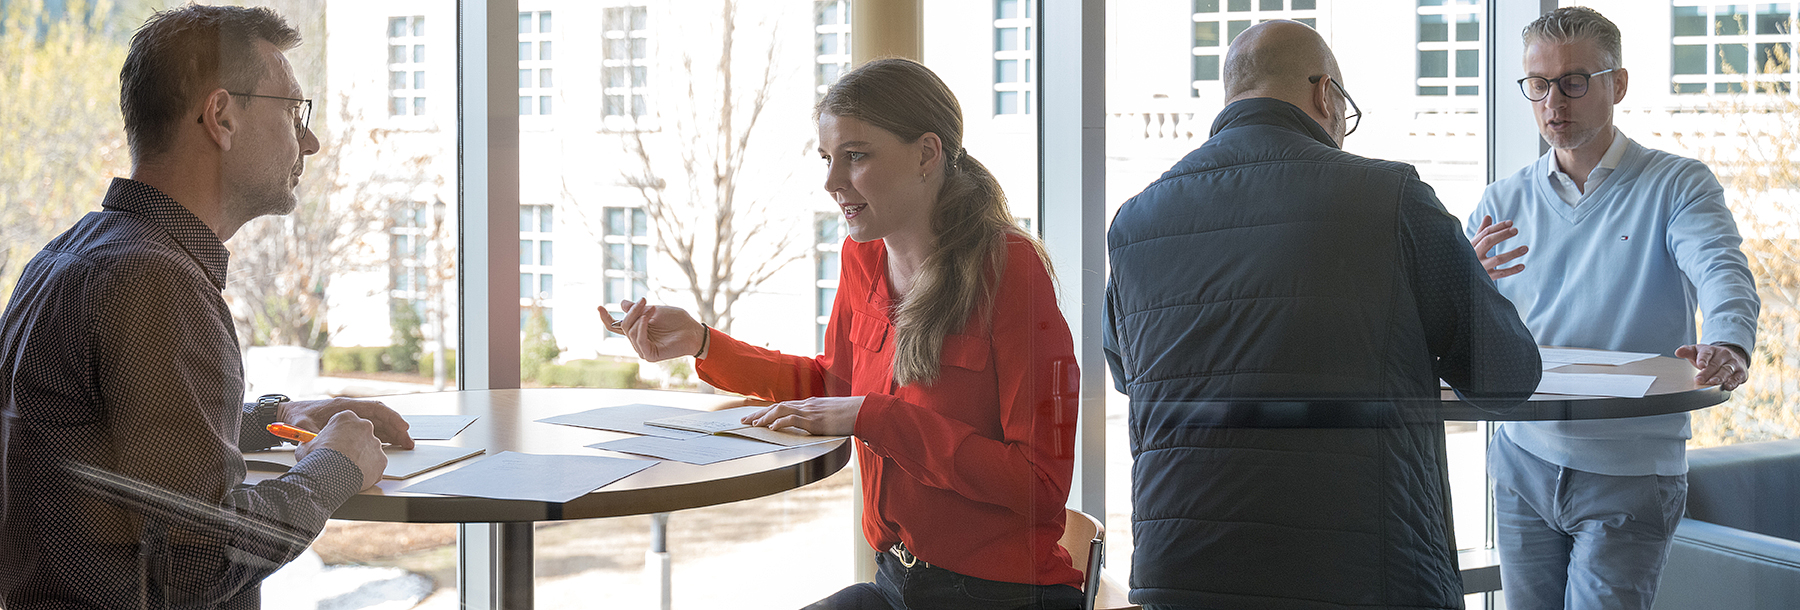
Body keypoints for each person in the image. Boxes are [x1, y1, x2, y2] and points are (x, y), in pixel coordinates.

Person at [600, 58, 1083, 610]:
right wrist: (703, 343)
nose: (831, 183)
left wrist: (875, 416)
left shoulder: (1010, 269)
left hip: (1002, 596)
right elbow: (833, 388)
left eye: (856, 157)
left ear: (928, 153)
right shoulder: (862, 257)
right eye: (828, 159)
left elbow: (1038, 487)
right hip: (896, 584)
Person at [1103, 20, 1541, 610]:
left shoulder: (1134, 224)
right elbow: (1506, 376)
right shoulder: (1389, 196)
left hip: (1181, 573)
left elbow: (1131, 375)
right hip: (1365, 573)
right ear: (1325, 96)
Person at [0, 6, 414, 609]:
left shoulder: (69, 258)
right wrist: (333, 467)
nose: (312, 142)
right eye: (294, 112)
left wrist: (279, 416)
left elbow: (110, 442)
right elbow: (198, 560)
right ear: (221, 117)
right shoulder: (151, 283)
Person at [1467, 7, 1760, 609]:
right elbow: (1456, 322)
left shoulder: (1676, 184)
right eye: (1539, 85)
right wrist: (1463, 282)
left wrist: (1728, 340)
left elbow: (1720, 266)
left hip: (1629, 469)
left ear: (1617, 84)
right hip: (1523, 457)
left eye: (1574, 82)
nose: (1554, 102)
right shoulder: (1502, 199)